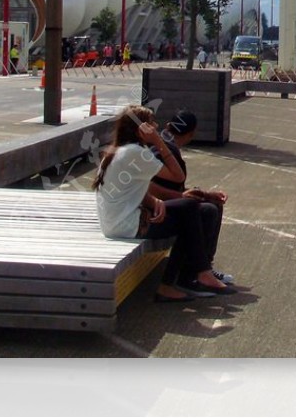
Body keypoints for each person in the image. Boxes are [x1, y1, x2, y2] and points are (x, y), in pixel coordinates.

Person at [92, 105, 234, 302]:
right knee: (192, 215)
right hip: (127, 226)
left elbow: (137, 187)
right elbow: (178, 176)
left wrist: (154, 200)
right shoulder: (134, 152)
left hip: (120, 222)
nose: (156, 126)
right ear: (140, 129)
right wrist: (157, 141)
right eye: (151, 123)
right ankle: (188, 277)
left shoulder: (120, 151)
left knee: (191, 210)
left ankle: (193, 275)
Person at [148, 110, 234, 290]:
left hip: (161, 203)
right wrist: (184, 197)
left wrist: (204, 194)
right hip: (153, 208)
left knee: (212, 204)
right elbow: (151, 187)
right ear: (190, 134)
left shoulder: (165, 147)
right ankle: (191, 275)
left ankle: (204, 268)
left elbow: (173, 188)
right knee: (206, 211)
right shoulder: (162, 150)